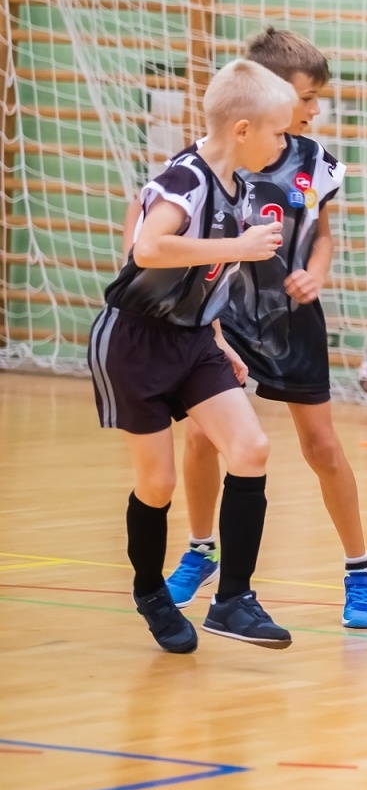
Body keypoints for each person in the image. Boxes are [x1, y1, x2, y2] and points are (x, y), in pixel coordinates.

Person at [128, 28, 367, 628]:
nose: (316, 109)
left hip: (291, 323)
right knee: (202, 438)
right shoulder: (215, 158)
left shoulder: (315, 163)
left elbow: (321, 237)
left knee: (322, 447)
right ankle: (200, 552)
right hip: (222, 316)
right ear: (268, 95)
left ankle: (360, 571)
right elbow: (160, 239)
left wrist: (315, 275)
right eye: (308, 96)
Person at [91, 59, 295, 652]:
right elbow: (150, 248)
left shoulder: (240, 188)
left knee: (251, 448)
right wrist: (241, 245)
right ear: (241, 129)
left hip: (193, 340)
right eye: (277, 133)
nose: (283, 144)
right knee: (157, 485)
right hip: (134, 342)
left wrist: (219, 340)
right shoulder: (188, 179)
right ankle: (152, 593)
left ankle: (232, 600)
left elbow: (204, 277)